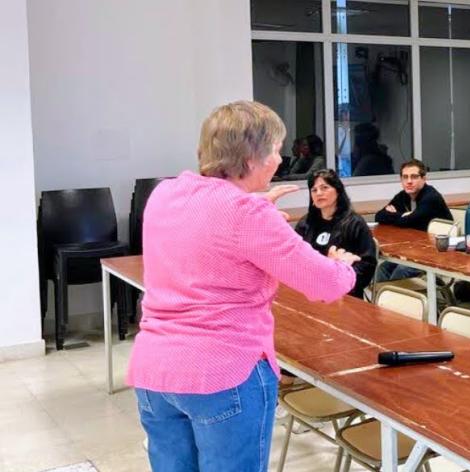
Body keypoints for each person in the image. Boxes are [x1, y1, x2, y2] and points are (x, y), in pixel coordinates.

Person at [129, 100, 359, 471]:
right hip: (224, 375)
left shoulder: (164, 195)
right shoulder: (249, 215)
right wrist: (344, 266)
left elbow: (207, 222)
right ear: (252, 158)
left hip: (155, 372)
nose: (280, 160)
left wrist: (253, 206)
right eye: (275, 150)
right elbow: (324, 284)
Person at [294, 169, 378, 297]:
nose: (319, 193)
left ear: (338, 191)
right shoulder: (305, 223)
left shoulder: (355, 223)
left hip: (343, 293)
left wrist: (340, 279)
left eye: (324, 188)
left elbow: (367, 264)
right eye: (314, 190)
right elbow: (295, 258)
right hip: (309, 289)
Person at [374, 159, 453, 281]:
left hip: (435, 250)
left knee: (401, 270)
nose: (409, 181)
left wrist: (399, 216)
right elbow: (379, 216)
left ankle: (395, 294)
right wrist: (403, 215)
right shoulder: (403, 196)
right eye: (405, 177)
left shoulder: (431, 197)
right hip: (413, 248)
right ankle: (383, 294)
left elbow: (406, 221)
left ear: (424, 179)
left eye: (414, 177)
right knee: (383, 268)